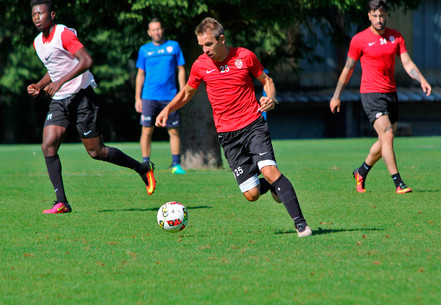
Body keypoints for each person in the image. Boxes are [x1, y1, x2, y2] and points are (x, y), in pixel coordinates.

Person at [156, 17, 312, 237]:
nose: (205, 50)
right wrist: (168, 109)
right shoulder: (200, 65)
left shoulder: (245, 56)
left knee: (269, 170)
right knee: (252, 194)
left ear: (222, 39)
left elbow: (267, 81)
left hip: (253, 125)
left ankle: (301, 225)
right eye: (201, 45)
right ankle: (272, 185)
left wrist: (271, 99)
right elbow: (186, 93)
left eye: (208, 44)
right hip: (228, 135)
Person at [28, 0, 156, 214]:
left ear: (52, 14)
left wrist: (59, 82)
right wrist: (40, 85)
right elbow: (55, 67)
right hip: (60, 100)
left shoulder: (64, 35)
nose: (37, 18)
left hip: (82, 97)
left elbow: (86, 60)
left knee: (96, 152)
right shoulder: (37, 43)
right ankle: (61, 202)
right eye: (33, 15)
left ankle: (142, 168)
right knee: (48, 145)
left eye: (40, 14)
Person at [330, 0, 431, 194]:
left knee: (384, 140)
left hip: (391, 94)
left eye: (382, 15)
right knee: (388, 135)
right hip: (370, 94)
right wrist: (336, 96)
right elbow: (348, 69)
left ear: (386, 15)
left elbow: (407, 63)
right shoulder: (359, 39)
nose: (379, 19)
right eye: (375, 16)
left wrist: (422, 79)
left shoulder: (396, 37)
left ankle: (361, 172)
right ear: (369, 16)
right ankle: (398, 183)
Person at [135, 18, 186, 174]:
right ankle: (145, 163)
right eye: (153, 30)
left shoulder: (174, 46)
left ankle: (176, 164)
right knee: (147, 130)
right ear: (149, 32)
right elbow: (140, 74)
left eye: (158, 29)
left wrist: (183, 92)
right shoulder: (144, 50)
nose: (156, 32)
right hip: (149, 96)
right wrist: (137, 98)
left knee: (173, 130)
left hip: (170, 97)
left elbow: (181, 70)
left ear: (162, 30)